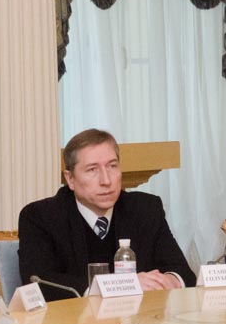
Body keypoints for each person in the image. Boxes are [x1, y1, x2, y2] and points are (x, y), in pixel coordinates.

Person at [18, 129, 196, 301]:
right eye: (92, 170)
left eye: (112, 166)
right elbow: (38, 282)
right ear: (70, 179)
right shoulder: (41, 217)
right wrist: (122, 286)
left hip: (140, 318)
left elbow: (183, 272)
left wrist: (170, 280)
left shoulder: (145, 209)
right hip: (75, 319)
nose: (106, 180)